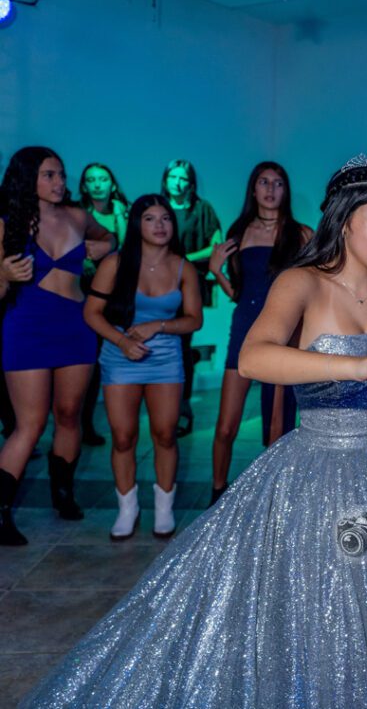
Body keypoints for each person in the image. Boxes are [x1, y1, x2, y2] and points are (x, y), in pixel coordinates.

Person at [17, 157, 367, 707]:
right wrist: (357, 365)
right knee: (334, 601)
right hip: (320, 468)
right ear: (344, 221)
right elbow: (255, 357)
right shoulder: (301, 283)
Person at [0, 147, 116, 546]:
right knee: (30, 424)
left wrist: (104, 246)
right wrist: (3, 275)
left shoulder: (78, 217)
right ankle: (1, 512)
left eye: (61, 174)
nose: (59, 182)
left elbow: (109, 237)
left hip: (75, 326)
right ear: (27, 178)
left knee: (69, 415)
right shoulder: (6, 224)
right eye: (49, 175)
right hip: (26, 326)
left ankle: (63, 494)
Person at [83, 195, 202, 540]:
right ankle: (127, 509)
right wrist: (122, 342)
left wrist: (158, 326)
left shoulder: (183, 267)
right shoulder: (115, 264)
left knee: (165, 434)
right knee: (123, 437)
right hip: (120, 356)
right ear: (137, 224)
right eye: (150, 218)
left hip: (166, 358)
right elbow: (91, 313)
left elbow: (194, 320)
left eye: (165, 218)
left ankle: (164, 509)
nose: (160, 225)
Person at [207, 162, 309, 505]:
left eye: (278, 183)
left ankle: (274, 501)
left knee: (277, 430)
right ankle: (217, 494)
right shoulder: (239, 232)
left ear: (286, 190)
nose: (270, 189)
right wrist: (216, 272)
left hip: (282, 335)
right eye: (264, 182)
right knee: (226, 426)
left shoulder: (301, 234)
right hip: (243, 329)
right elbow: (240, 294)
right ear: (253, 188)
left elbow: (313, 288)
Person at [160, 159, 222, 436]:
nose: (177, 182)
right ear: (165, 180)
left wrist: (182, 260)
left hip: (188, 285)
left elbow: (215, 246)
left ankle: (182, 409)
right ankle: (163, 408)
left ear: (191, 182)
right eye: (173, 177)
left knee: (181, 346)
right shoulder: (158, 207)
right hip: (157, 285)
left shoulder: (202, 209)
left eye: (183, 178)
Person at [78, 162, 132, 447]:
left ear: (112, 183)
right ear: (84, 186)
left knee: (114, 355)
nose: (98, 184)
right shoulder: (77, 214)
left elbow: (128, 249)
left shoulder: (124, 212)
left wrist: (121, 216)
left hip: (118, 298)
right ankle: (84, 423)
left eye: (103, 179)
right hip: (84, 294)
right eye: (91, 180)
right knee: (89, 360)